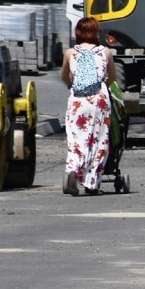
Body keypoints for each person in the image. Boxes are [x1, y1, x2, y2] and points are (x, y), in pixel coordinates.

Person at [60, 16, 117, 196]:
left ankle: (73, 170)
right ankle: (92, 183)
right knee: (98, 141)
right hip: (98, 100)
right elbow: (113, 77)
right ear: (96, 33)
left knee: (77, 140)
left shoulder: (70, 53)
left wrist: (71, 84)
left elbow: (64, 76)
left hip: (77, 101)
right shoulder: (105, 52)